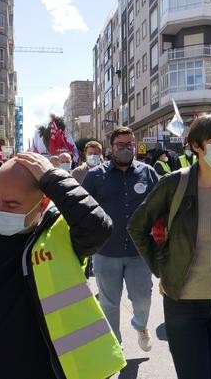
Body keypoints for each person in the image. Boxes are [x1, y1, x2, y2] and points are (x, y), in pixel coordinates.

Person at [0, 153, 125, 379]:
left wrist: (53, 178)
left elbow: (98, 227)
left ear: (42, 203)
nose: (1, 210)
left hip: (46, 370)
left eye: (12, 204)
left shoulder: (61, 233)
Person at [128, 114, 211, 379]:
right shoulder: (175, 183)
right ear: (196, 146)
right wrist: (162, 267)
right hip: (184, 302)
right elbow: (137, 226)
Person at [82, 127, 158, 350]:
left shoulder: (148, 173)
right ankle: (115, 344)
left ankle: (141, 326)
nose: (126, 149)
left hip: (140, 253)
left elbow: (160, 207)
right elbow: (83, 209)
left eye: (130, 145)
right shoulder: (96, 176)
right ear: (111, 147)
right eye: (121, 145)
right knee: (109, 303)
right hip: (106, 252)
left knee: (142, 300)